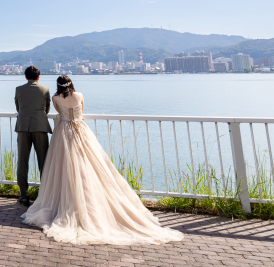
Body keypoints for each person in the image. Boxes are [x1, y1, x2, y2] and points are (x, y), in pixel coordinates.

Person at [22, 75, 183, 245]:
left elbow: (59, 113)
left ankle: (68, 200)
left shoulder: (55, 98)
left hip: (63, 133)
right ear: (71, 84)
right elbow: (80, 112)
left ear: (58, 85)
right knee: (87, 165)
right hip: (80, 130)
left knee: (64, 166)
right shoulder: (80, 95)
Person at [14, 65, 51, 207]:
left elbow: (18, 107)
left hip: (23, 127)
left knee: (22, 161)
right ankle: (45, 195)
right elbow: (46, 109)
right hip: (40, 127)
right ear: (38, 77)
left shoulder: (19, 89)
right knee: (44, 161)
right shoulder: (45, 90)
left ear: (25, 76)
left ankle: (24, 195)